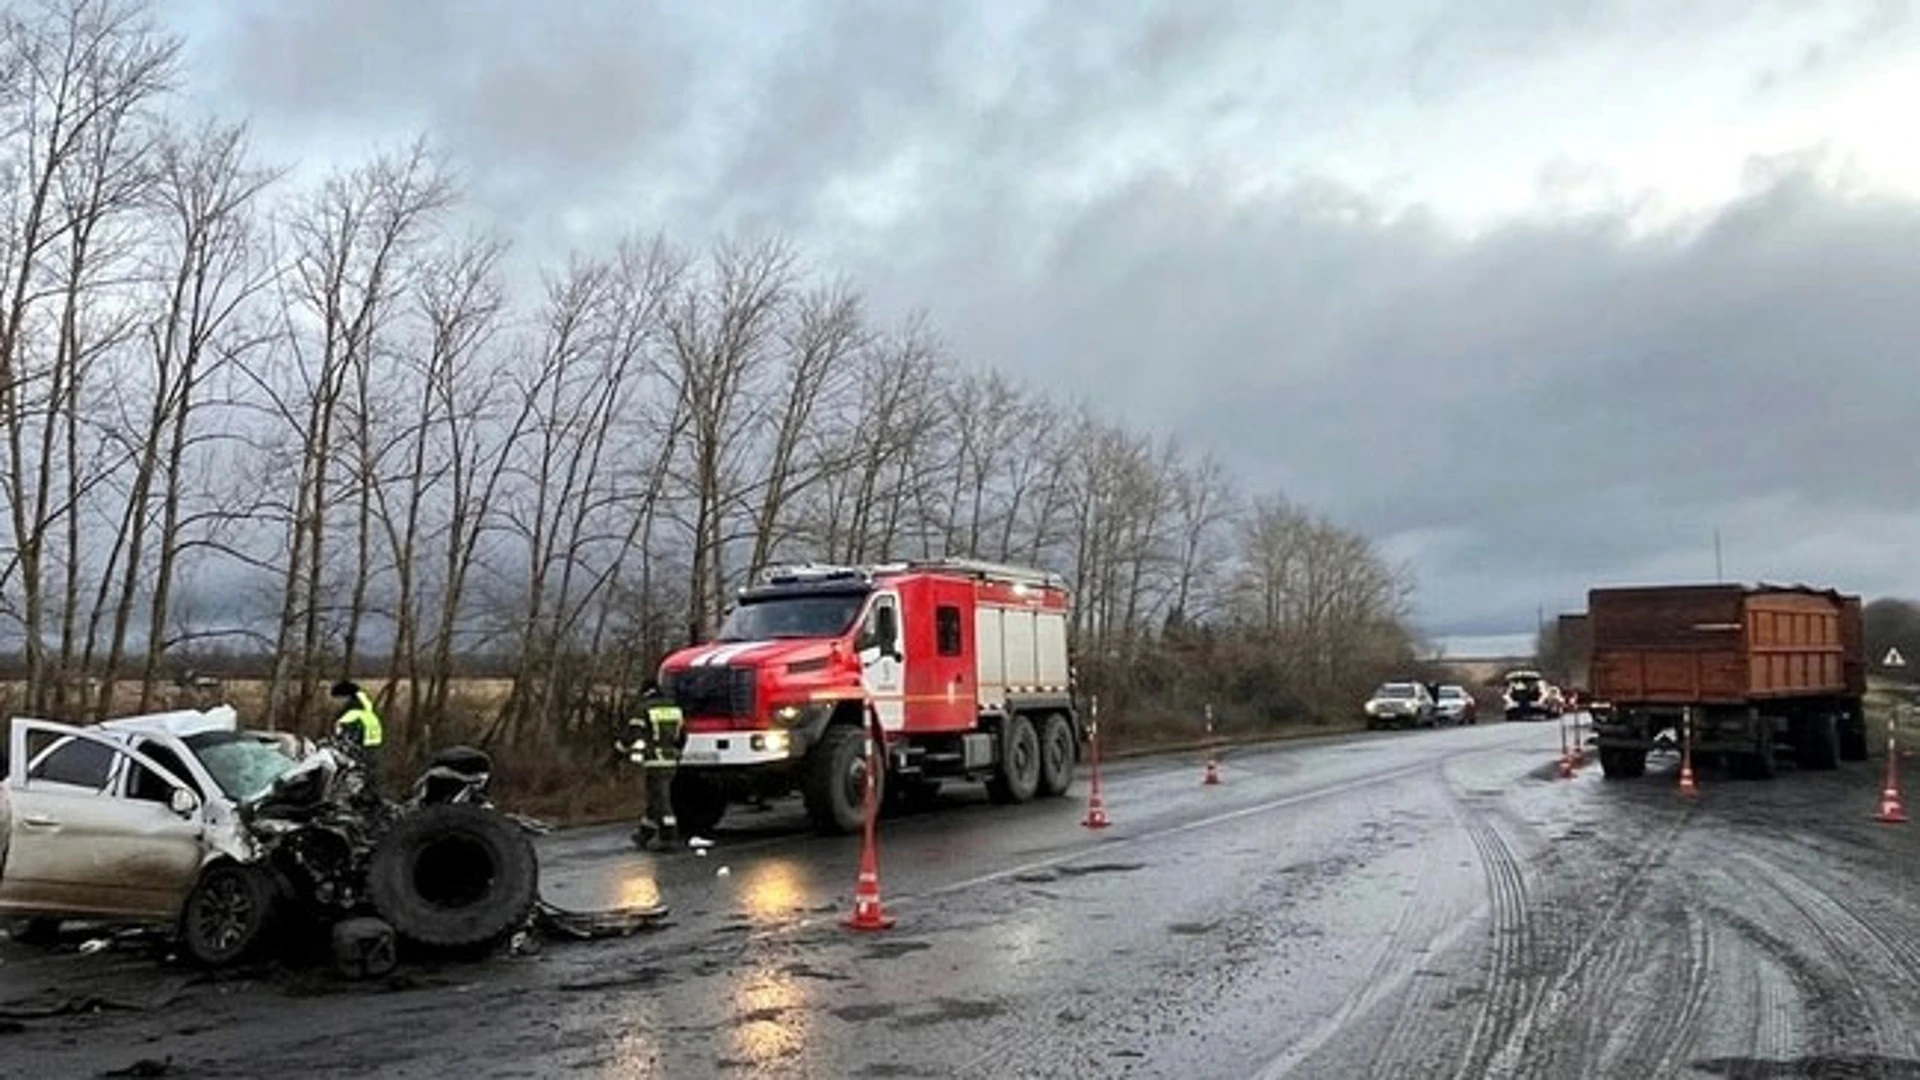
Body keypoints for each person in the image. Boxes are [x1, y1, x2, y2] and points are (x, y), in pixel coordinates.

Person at [619, 681, 685, 851]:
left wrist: (620, 749)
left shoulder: (644, 709)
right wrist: (675, 752)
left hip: (654, 761)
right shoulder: (675, 709)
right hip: (672, 761)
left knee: (661, 799)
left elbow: (633, 733)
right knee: (656, 797)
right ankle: (645, 833)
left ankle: (668, 836)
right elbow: (682, 737)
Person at [331, 679, 386, 794]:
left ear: (345, 696)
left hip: (361, 749)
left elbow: (342, 735)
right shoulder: (367, 706)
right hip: (376, 745)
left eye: (336, 699)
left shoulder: (352, 712)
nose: (335, 703)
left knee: (356, 777)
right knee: (372, 778)